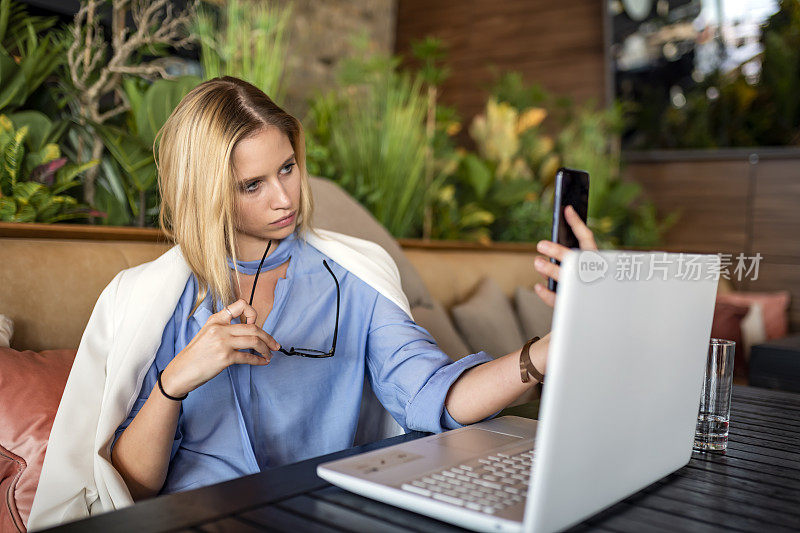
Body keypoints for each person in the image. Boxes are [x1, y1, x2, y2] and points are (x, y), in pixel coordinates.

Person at [29, 76, 598, 528]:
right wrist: (174, 382)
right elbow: (133, 490)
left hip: (320, 514)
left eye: (287, 168)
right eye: (252, 185)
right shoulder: (155, 302)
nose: (284, 198)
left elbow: (432, 396)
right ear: (206, 195)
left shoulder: (353, 277)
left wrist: (543, 354)